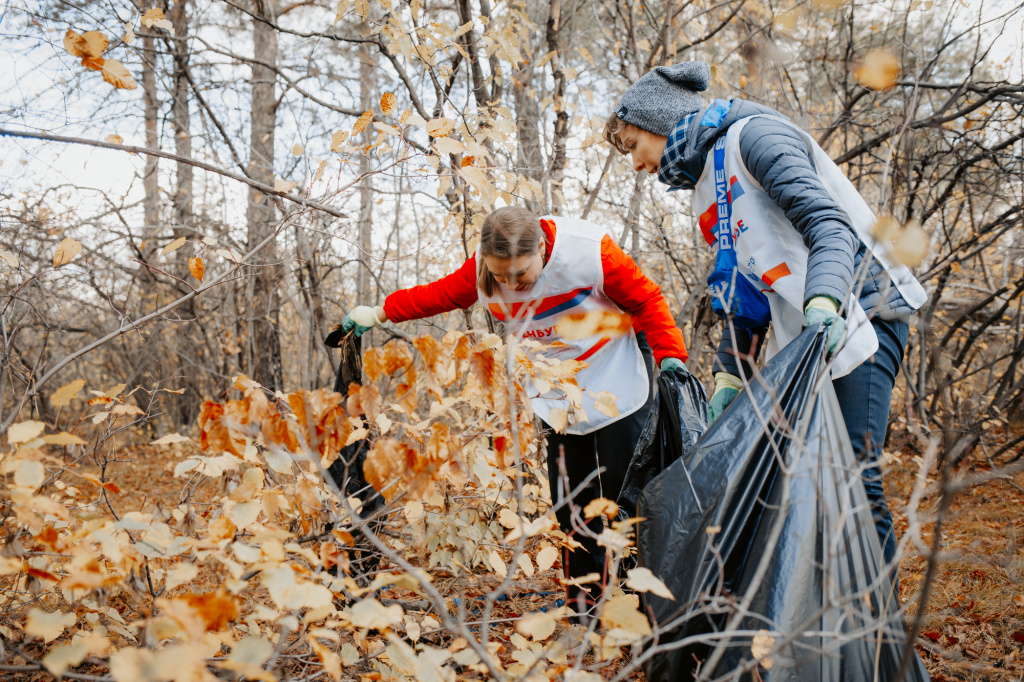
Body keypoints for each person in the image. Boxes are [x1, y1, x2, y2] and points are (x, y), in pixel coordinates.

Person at [603, 62, 927, 570]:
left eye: (633, 146)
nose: (635, 164)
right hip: (810, 333)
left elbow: (830, 226)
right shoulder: (709, 183)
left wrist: (824, 300)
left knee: (852, 479)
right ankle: (818, 625)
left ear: (659, 121)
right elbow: (743, 289)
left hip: (862, 309)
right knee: (804, 481)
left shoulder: (756, 136)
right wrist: (731, 372)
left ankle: (878, 640)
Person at [341, 206, 688, 616]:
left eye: (520, 273)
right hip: (557, 391)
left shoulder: (591, 252)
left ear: (541, 248)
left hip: (615, 373)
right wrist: (379, 312)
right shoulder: (483, 270)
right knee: (571, 504)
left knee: (623, 496)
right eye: (500, 275)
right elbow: (439, 295)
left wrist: (671, 357)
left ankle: (638, 607)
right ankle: (584, 609)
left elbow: (647, 298)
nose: (509, 283)